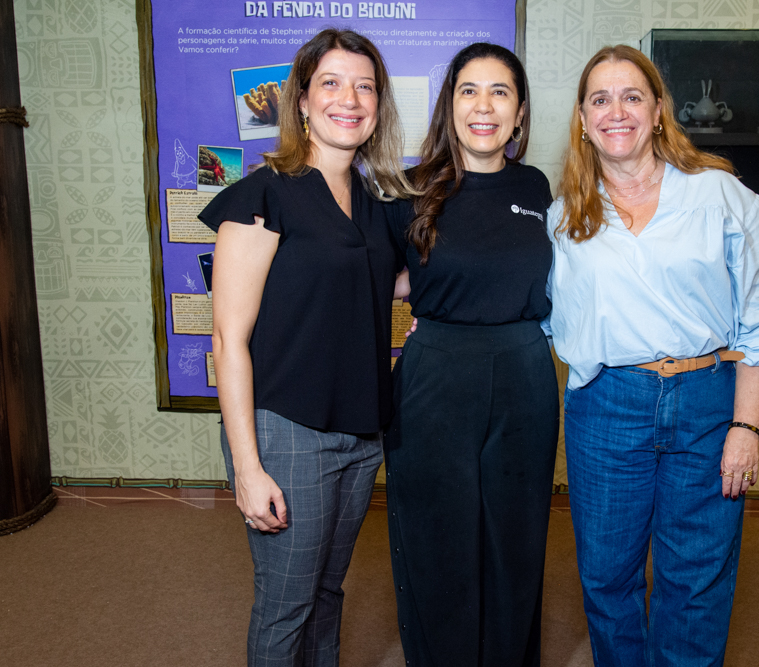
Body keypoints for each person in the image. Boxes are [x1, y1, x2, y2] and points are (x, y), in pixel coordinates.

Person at [545, 45, 759, 667]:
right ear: (581, 117)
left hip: (707, 400)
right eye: (600, 99)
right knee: (607, 578)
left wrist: (745, 426)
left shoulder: (724, 198)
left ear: (659, 111)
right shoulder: (563, 217)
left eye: (632, 96)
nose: (616, 111)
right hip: (605, 406)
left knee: (697, 579)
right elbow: (531, 308)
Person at [198, 29, 414, 666]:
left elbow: (399, 285)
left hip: (360, 433)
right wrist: (247, 466)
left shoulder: (377, 205)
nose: (349, 98)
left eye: (364, 86)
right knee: (286, 604)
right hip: (285, 431)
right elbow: (227, 337)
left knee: (326, 593)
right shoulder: (264, 195)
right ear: (300, 102)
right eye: (331, 83)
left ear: (378, 105)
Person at [383, 42, 558, 667]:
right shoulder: (408, 191)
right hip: (435, 376)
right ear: (449, 106)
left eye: (500, 92)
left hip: (525, 376)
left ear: (518, 113)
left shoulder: (537, 188)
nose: (483, 106)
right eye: (468, 91)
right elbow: (372, 281)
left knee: (516, 539)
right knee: (436, 540)